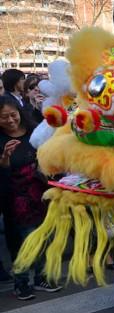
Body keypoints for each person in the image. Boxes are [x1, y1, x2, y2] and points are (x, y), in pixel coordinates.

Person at [0, 96, 61, 300]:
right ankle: (21, 281)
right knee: (25, 242)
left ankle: (42, 277)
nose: (10, 120)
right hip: (17, 200)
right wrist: (5, 159)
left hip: (42, 195)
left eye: (13, 115)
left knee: (45, 237)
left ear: (19, 112)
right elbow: (3, 177)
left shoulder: (35, 131)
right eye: (3, 117)